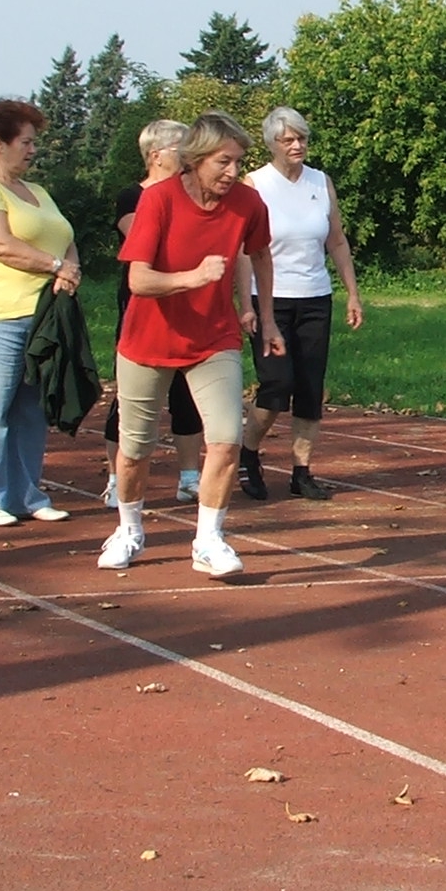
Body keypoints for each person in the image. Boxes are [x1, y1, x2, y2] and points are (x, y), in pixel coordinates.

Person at [106, 112, 283, 575]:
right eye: (224, 162)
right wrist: (194, 277)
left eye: (238, 163)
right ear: (196, 159)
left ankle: (209, 539)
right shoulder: (158, 201)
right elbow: (139, 279)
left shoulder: (248, 203)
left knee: (225, 439)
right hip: (148, 340)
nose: (233, 172)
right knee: (135, 449)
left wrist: (266, 319)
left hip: (214, 337)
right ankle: (129, 529)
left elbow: (261, 254)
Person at [0, 99, 78, 527]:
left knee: (31, 409)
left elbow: (64, 235)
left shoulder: (38, 192)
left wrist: (69, 268)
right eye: (25, 142)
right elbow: (0, 244)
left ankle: (27, 494)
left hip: (41, 315)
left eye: (34, 143)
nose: (32, 150)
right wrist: (55, 266)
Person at [238, 107, 364, 501]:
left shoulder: (320, 181)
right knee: (277, 385)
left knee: (310, 389)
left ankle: (301, 471)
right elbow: (243, 251)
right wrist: (246, 304)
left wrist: (352, 293)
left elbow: (337, 240)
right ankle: (249, 453)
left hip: (315, 296)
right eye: (288, 139)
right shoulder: (255, 183)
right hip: (269, 299)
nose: (297, 145)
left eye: (302, 138)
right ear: (272, 143)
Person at [99, 119, 206, 509]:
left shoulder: (194, 193)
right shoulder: (133, 196)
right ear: (156, 154)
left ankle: (190, 477)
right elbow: (143, 238)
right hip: (142, 303)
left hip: (190, 301)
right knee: (132, 396)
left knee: (187, 391)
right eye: (182, 146)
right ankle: (116, 479)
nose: (189, 154)